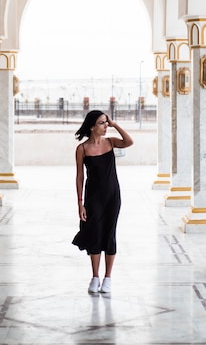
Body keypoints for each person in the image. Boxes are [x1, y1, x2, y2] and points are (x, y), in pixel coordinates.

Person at [72, 109, 133, 294]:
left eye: (106, 122)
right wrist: (80, 203)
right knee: (95, 233)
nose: (106, 126)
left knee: (110, 233)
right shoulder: (82, 149)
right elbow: (80, 177)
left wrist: (115, 124)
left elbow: (129, 142)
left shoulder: (111, 142)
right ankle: (95, 276)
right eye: (102, 123)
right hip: (93, 197)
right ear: (91, 127)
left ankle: (108, 278)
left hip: (113, 196)